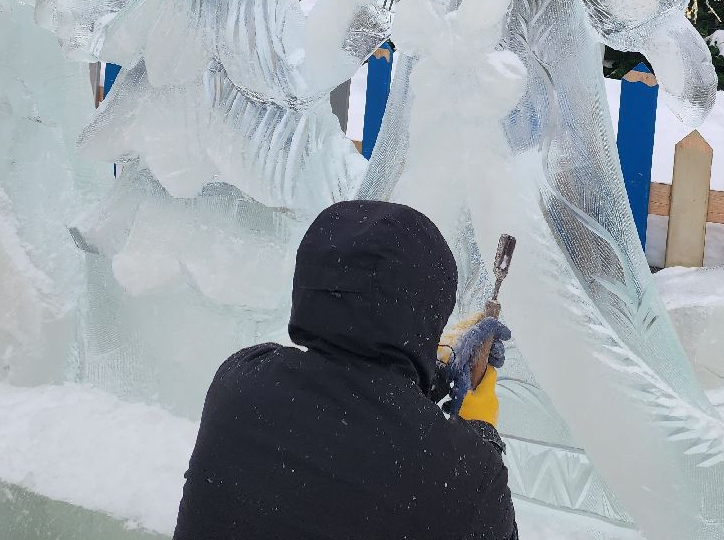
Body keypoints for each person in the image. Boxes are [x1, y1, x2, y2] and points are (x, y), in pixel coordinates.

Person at [173, 200, 517, 540]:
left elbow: (358, 410)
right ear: (429, 309)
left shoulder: (239, 382)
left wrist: (438, 369)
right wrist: (479, 432)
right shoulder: (465, 475)